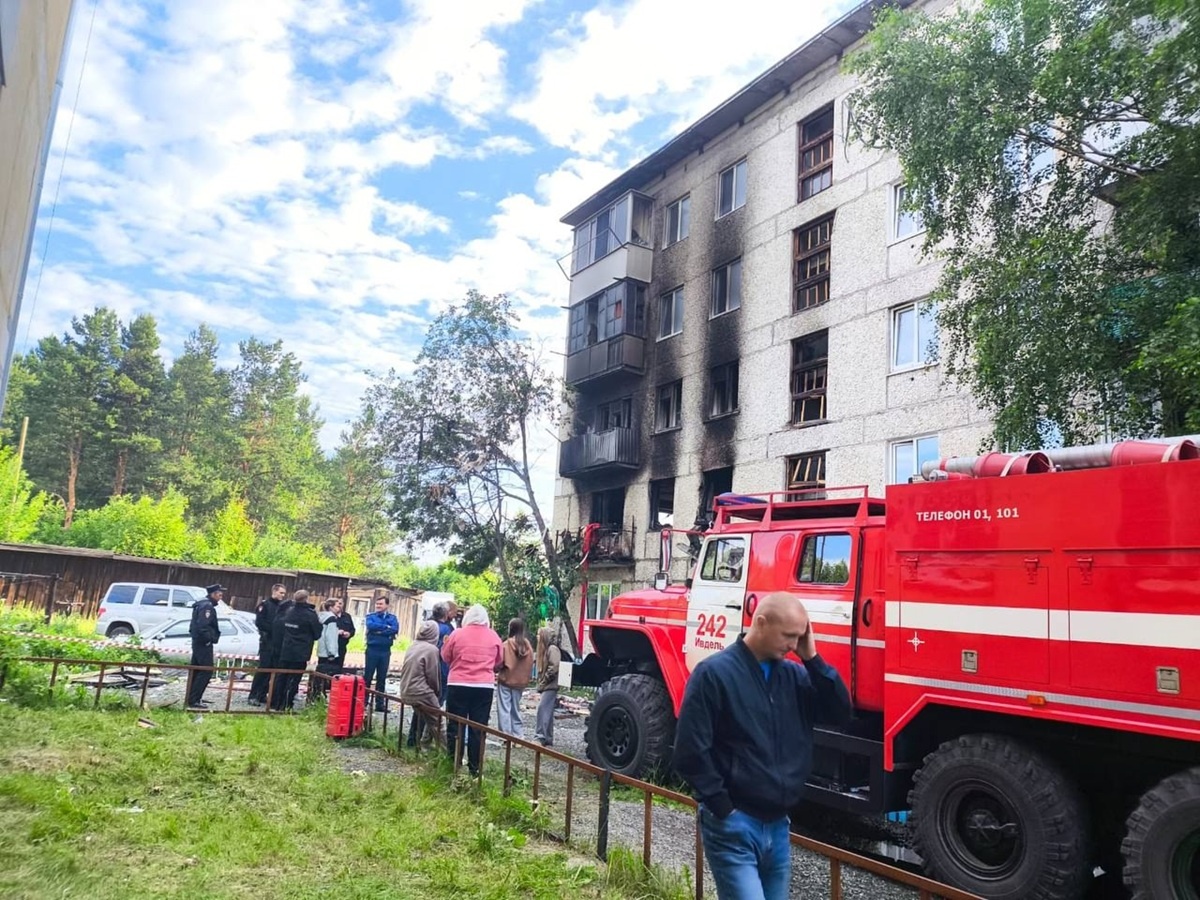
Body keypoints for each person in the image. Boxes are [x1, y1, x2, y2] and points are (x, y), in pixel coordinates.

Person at [673, 592, 852, 900]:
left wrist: (813, 659)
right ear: (761, 622)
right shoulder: (714, 674)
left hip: (779, 824)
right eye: (788, 636)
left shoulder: (795, 676)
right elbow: (690, 750)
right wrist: (721, 807)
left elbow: (840, 713)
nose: (793, 645)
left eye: (799, 637)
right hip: (734, 823)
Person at [441, 605, 503, 777]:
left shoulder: (457, 634)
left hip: (458, 683)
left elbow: (445, 656)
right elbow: (499, 661)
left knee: (455, 725)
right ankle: (475, 769)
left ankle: (453, 764)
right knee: (478, 728)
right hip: (483, 686)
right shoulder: (493, 636)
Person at [273, 590, 322, 711]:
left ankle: (276, 703)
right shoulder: (310, 614)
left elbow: (279, 627)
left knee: (281, 677)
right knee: (294, 678)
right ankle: (287, 704)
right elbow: (317, 634)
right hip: (301, 651)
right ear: (306, 599)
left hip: (286, 648)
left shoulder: (288, 611)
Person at [400, 620, 444, 750]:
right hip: (421, 691)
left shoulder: (413, 645)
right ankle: (449, 755)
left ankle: (424, 746)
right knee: (439, 720)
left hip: (406, 689)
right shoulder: (432, 649)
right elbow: (433, 675)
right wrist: (436, 692)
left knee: (427, 717)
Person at [186, 583, 223, 709]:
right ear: (213, 594)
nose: (221, 596)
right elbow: (203, 626)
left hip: (198, 642)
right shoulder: (207, 606)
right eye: (219, 594)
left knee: (196, 670)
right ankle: (194, 699)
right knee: (206, 670)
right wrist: (209, 639)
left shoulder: (203, 604)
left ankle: (193, 697)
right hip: (203, 643)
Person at [248, 583, 286, 706]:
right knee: (263, 669)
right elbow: (260, 622)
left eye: (284, 593)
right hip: (267, 641)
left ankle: (262, 694)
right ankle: (253, 695)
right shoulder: (265, 605)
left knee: (272, 670)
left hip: (277, 643)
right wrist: (274, 630)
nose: (282, 595)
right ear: (274, 591)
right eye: (281, 593)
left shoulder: (282, 607)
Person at [496, 618, 533, 738]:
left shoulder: (506, 644)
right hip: (520, 682)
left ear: (510, 628)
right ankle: (518, 736)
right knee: (516, 709)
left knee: (504, 709)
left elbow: (499, 662)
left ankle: (506, 737)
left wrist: (496, 670)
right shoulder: (528, 645)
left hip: (506, 680)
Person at [364, 596, 400, 712]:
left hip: (385, 651)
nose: (378, 606)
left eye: (381, 604)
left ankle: (379, 704)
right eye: (377, 604)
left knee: (382, 678)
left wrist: (380, 631)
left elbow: (394, 629)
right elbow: (371, 626)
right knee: (368, 676)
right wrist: (386, 628)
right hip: (372, 649)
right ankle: (363, 702)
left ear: (387, 605)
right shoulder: (371, 617)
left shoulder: (392, 618)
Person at [534, 626, 562, 747]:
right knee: (548, 712)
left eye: (539, 635)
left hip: (550, 685)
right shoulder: (548, 649)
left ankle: (540, 737)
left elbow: (554, 667)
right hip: (549, 685)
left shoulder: (552, 649)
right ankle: (548, 737)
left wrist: (543, 682)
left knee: (542, 709)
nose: (537, 637)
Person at [313, 598, 341, 700]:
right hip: (328, 652)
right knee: (327, 676)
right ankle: (321, 695)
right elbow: (331, 637)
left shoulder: (321, 616)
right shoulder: (332, 619)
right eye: (337, 606)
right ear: (331, 607)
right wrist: (332, 653)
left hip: (321, 650)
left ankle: (316, 693)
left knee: (320, 674)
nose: (340, 608)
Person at [333, 598, 355, 670]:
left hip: (342, 646)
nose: (339, 605)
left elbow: (352, 629)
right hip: (330, 647)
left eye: (340, 603)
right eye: (337, 604)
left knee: (339, 668)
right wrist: (337, 632)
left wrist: (349, 634)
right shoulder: (329, 616)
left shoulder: (347, 616)